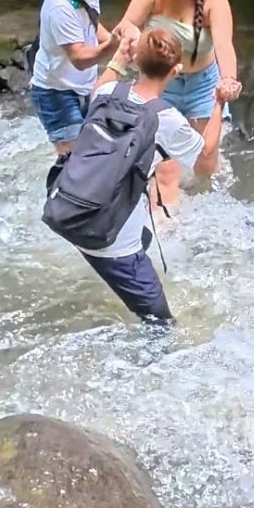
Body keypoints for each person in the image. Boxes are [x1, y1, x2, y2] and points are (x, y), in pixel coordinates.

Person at [46, 28, 221, 323]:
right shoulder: (166, 119)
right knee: (162, 325)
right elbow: (206, 166)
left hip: (66, 209)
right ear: (176, 71)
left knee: (147, 232)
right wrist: (219, 103)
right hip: (111, 242)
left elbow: (95, 95)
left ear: (137, 62)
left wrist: (118, 58)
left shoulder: (106, 93)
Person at [118, 0, 240, 204]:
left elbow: (223, 45)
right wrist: (132, 34)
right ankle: (161, 205)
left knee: (205, 164)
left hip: (202, 82)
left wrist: (229, 79)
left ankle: (205, 207)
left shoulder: (214, 0)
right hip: (160, 80)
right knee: (158, 152)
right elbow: (127, 23)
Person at [30, 0, 122, 155]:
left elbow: (92, 23)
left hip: (83, 88)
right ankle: (58, 189)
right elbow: (79, 58)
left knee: (90, 153)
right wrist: (112, 48)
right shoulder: (60, 6)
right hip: (55, 93)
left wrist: (116, 41)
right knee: (73, 160)